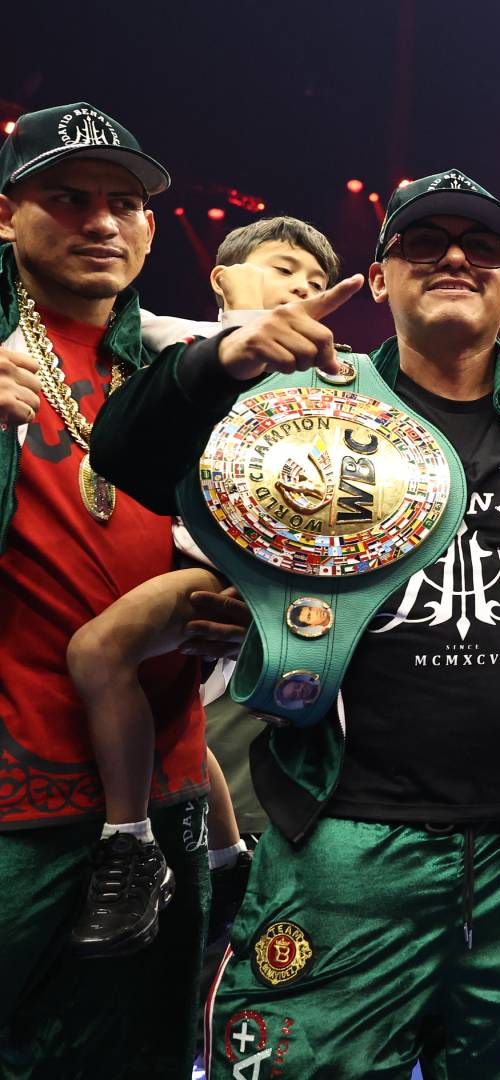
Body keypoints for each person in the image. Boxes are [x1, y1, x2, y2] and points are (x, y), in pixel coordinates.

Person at [92, 168, 500, 1077]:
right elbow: (126, 455)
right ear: (378, 280)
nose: (453, 257)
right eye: (423, 244)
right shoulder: (300, 409)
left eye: (481, 247)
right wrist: (223, 357)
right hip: (347, 837)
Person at [0, 101, 218, 1078]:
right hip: (14, 811)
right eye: (68, 198)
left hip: (165, 795)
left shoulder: (178, 362)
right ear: (7, 215)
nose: (100, 222)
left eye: (123, 203)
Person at [63, 215, 344, 959]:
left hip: (251, 578)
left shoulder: (338, 373)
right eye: (286, 269)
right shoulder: (175, 340)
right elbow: (84, 305)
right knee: (161, 708)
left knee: (102, 656)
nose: (302, 291)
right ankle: (220, 860)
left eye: (317, 283)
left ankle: (131, 846)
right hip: (182, 560)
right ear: (222, 280)